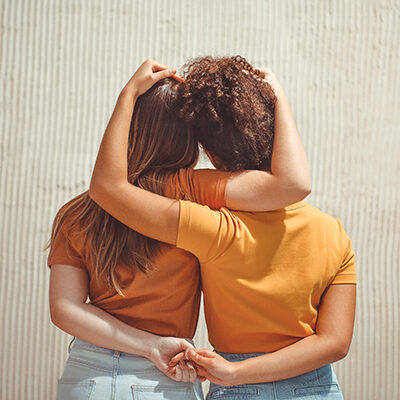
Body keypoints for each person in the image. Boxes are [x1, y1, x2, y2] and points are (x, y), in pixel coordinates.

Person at [89, 57, 356, 400]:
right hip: (319, 386)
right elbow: (335, 343)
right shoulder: (334, 234)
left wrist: (129, 94)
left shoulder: (211, 227)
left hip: (240, 389)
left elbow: (108, 188)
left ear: (213, 158)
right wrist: (280, 101)